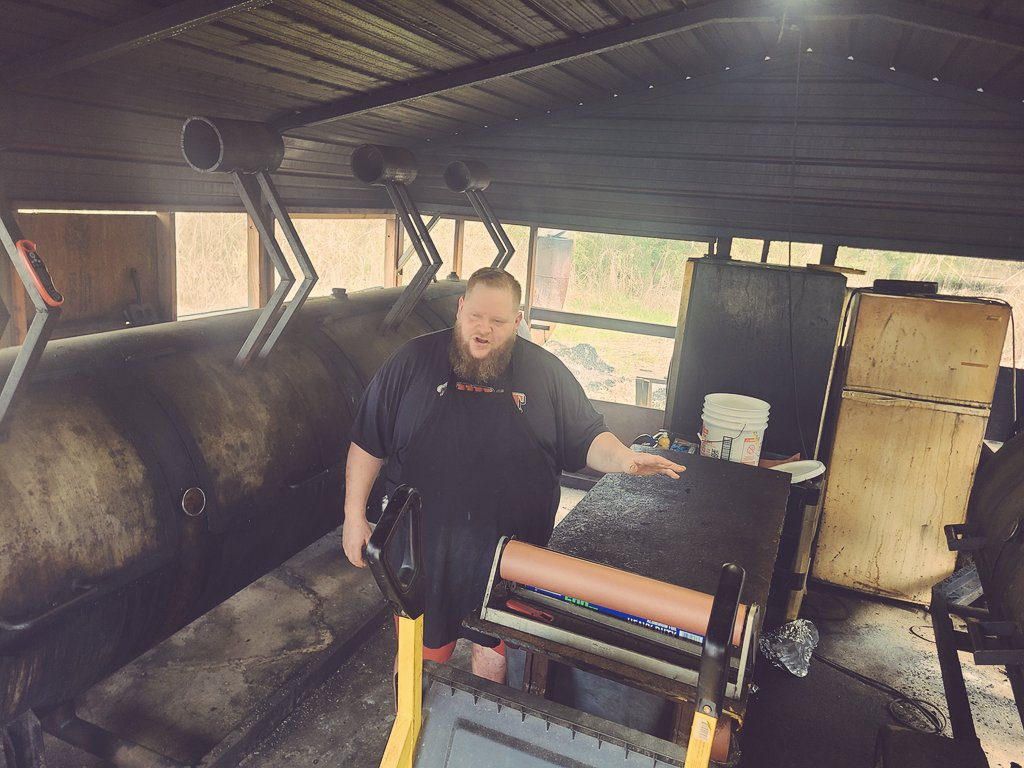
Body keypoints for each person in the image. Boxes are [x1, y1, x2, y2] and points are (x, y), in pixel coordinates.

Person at [342, 267, 685, 684]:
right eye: (475, 317)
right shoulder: (411, 361)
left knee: (495, 653)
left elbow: (587, 436)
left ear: (518, 321)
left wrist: (626, 459)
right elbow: (368, 443)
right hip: (422, 550)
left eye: (499, 321)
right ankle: (411, 737)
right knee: (421, 658)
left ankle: (480, 728)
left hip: (511, 553)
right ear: (460, 307)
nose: (483, 329)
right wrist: (354, 516)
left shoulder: (545, 372)